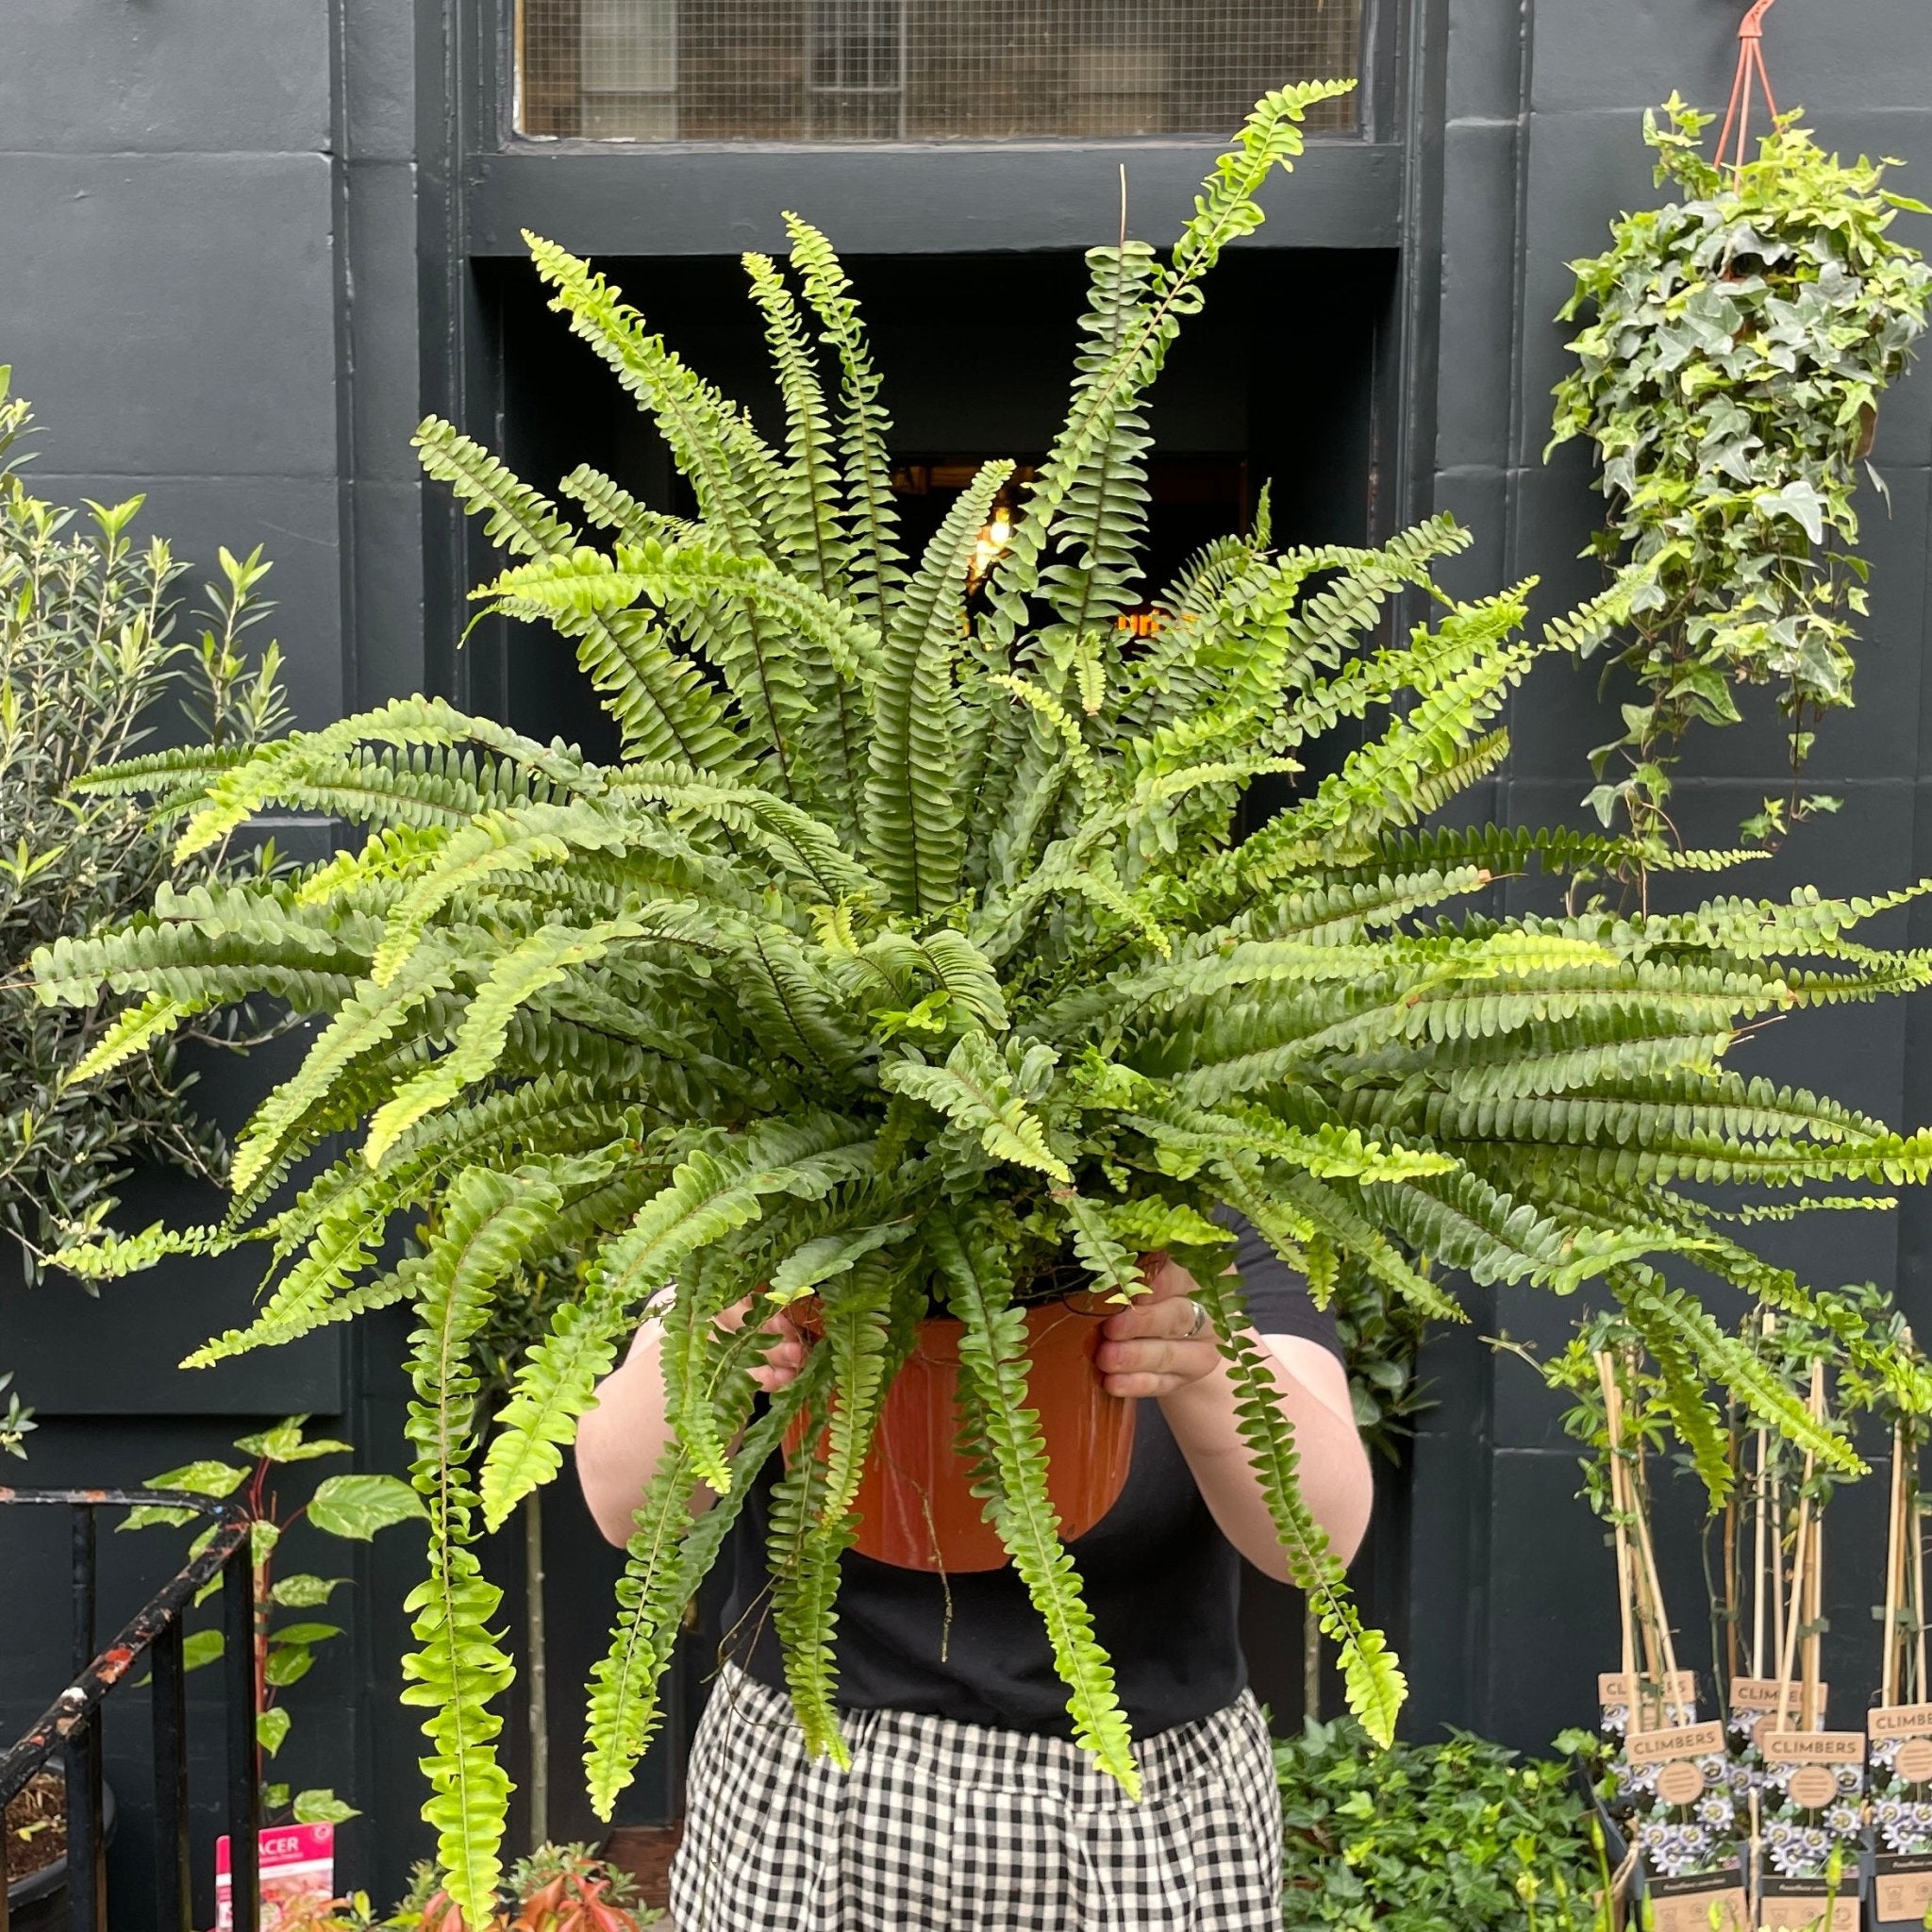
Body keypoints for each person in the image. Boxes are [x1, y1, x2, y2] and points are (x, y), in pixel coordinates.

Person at [576, 1220, 1374, 1931]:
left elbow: (1318, 1539)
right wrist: (715, 1339)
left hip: (1144, 1800)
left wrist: (1208, 1352)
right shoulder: (772, 1210)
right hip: (812, 1781)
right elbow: (624, 1504)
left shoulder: (1196, 1217)